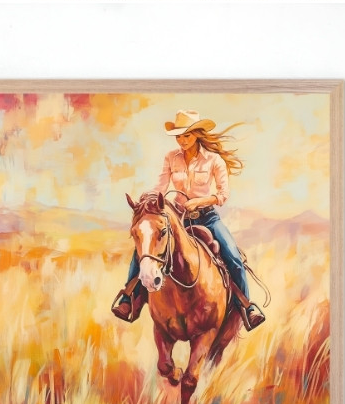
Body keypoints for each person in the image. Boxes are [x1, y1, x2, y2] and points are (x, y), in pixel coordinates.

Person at [114, 109, 266, 331]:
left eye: (186, 135)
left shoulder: (214, 160)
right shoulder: (171, 157)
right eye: (178, 136)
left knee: (232, 255)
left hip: (207, 218)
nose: (182, 140)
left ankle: (247, 307)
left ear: (196, 134)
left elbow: (223, 194)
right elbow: (161, 186)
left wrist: (199, 202)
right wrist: (147, 200)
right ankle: (128, 300)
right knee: (144, 251)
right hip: (178, 217)